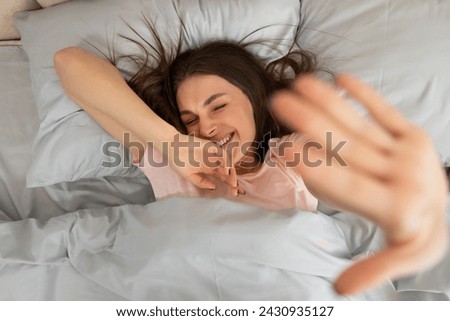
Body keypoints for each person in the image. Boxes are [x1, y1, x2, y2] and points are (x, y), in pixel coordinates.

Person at [53, 27, 448, 296]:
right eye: (191, 119)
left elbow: (335, 173)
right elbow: (69, 63)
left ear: (254, 98)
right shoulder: (168, 159)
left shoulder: (287, 155)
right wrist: (171, 140)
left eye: (218, 106)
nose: (206, 126)